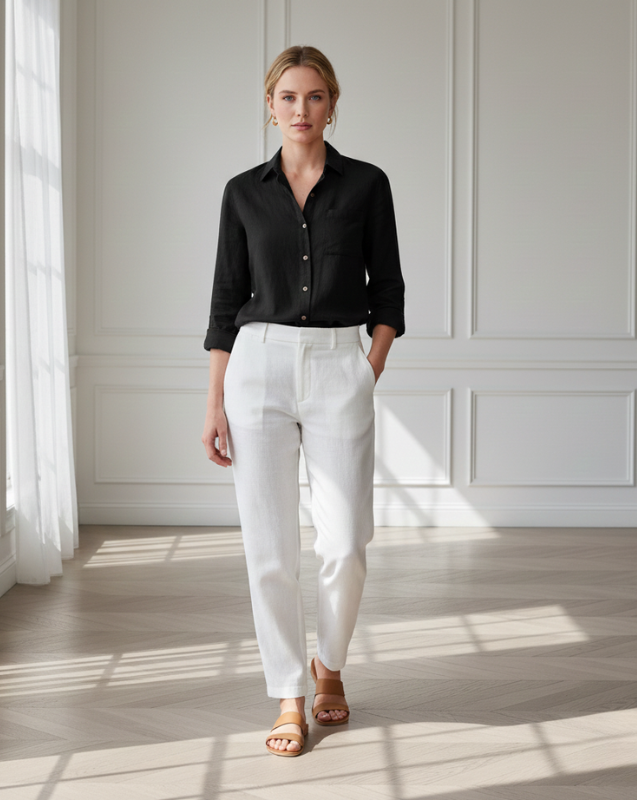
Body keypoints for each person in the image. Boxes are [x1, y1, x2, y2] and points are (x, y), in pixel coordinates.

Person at [201, 45, 405, 757]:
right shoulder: (242, 192)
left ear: (332, 104)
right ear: (270, 105)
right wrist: (215, 401)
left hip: (337, 363)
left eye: (315, 97)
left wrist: (365, 368)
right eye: (288, 97)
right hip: (256, 366)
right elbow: (226, 301)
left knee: (346, 542)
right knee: (269, 547)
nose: (301, 110)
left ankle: (331, 666)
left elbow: (391, 294)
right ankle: (290, 691)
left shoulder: (367, 185)